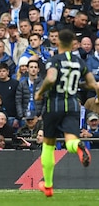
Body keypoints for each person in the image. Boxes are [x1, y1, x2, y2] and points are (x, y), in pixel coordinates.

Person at [34, 29, 99, 197]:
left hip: (54, 104)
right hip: (72, 104)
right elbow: (92, 83)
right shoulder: (79, 62)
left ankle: (48, 186)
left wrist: (40, 92)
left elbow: (51, 78)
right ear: (73, 44)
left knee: (48, 145)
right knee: (71, 139)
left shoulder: (54, 60)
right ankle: (77, 147)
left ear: (58, 43)